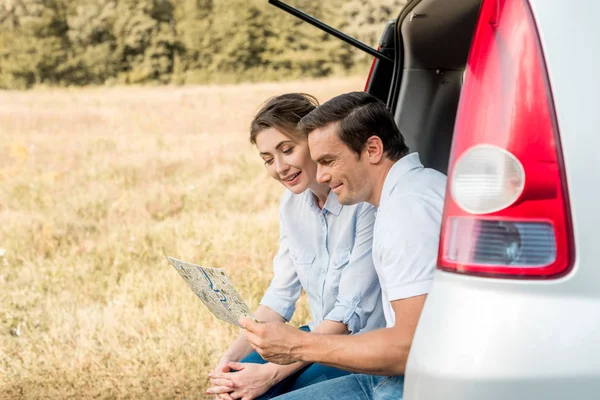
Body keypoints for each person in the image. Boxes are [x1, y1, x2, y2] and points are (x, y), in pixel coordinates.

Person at [238, 91, 447, 400]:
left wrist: (296, 346)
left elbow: (409, 347)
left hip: (412, 379)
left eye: (328, 161)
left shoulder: (406, 211)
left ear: (373, 149)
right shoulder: (414, 191)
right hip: (396, 369)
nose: (321, 175)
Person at [206, 93, 385, 400]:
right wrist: (230, 359)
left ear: (314, 141)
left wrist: (270, 375)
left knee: (261, 392)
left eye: (287, 150)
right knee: (236, 383)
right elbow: (280, 295)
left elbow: (346, 317)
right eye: (267, 159)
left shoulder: (363, 202)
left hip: (359, 350)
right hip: (314, 336)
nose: (279, 167)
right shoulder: (291, 205)